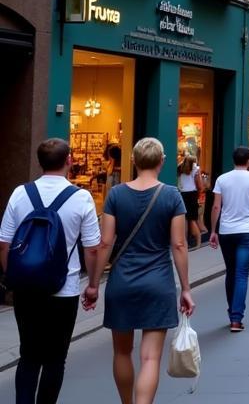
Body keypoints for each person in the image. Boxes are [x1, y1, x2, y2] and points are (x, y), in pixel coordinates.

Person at [86, 137, 193, 404]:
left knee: (122, 353)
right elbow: (178, 244)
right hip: (158, 282)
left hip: (122, 281)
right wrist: (186, 288)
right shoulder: (171, 196)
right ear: (162, 162)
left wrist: (93, 284)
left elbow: (106, 242)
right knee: (150, 357)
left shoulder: (117, 195)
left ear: (133, 161)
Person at [0, 138, 101, 404]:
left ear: (39, 161)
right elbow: (92, 248)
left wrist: (13, 276)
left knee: (29, 355)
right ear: (69, 160)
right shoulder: (81, 198)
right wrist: (92, 284)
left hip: (26, 290)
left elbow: (4, 243)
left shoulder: (20, 194)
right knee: (56, 358)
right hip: (63, 289)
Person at [209, 145, 249, 331]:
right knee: (242, 274)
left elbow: (216, 207)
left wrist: (213, 230)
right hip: (248, 231)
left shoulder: (222, 179)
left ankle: (232, 312)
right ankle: (236, 317)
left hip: (227, 231)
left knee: (231, 271)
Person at [177, 154, 205, 249]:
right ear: (194, 162)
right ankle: (198, 242)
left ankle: (185, 242)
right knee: (192, 219)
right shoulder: (195, 169)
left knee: (184, 219)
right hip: (192, 195)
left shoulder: (179, 168)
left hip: (182, 194)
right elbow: (200, 185)